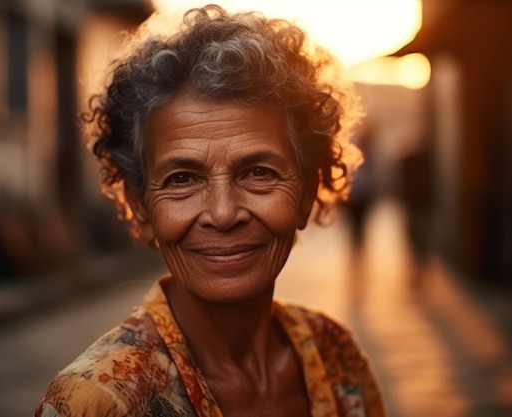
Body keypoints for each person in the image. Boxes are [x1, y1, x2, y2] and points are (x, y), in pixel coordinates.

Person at [35, 5, 385, 417]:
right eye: (182, 179)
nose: (223, 213)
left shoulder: (335, 352)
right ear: (140, 208)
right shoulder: (97, 402)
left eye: (257, 172)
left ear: (307, 194)